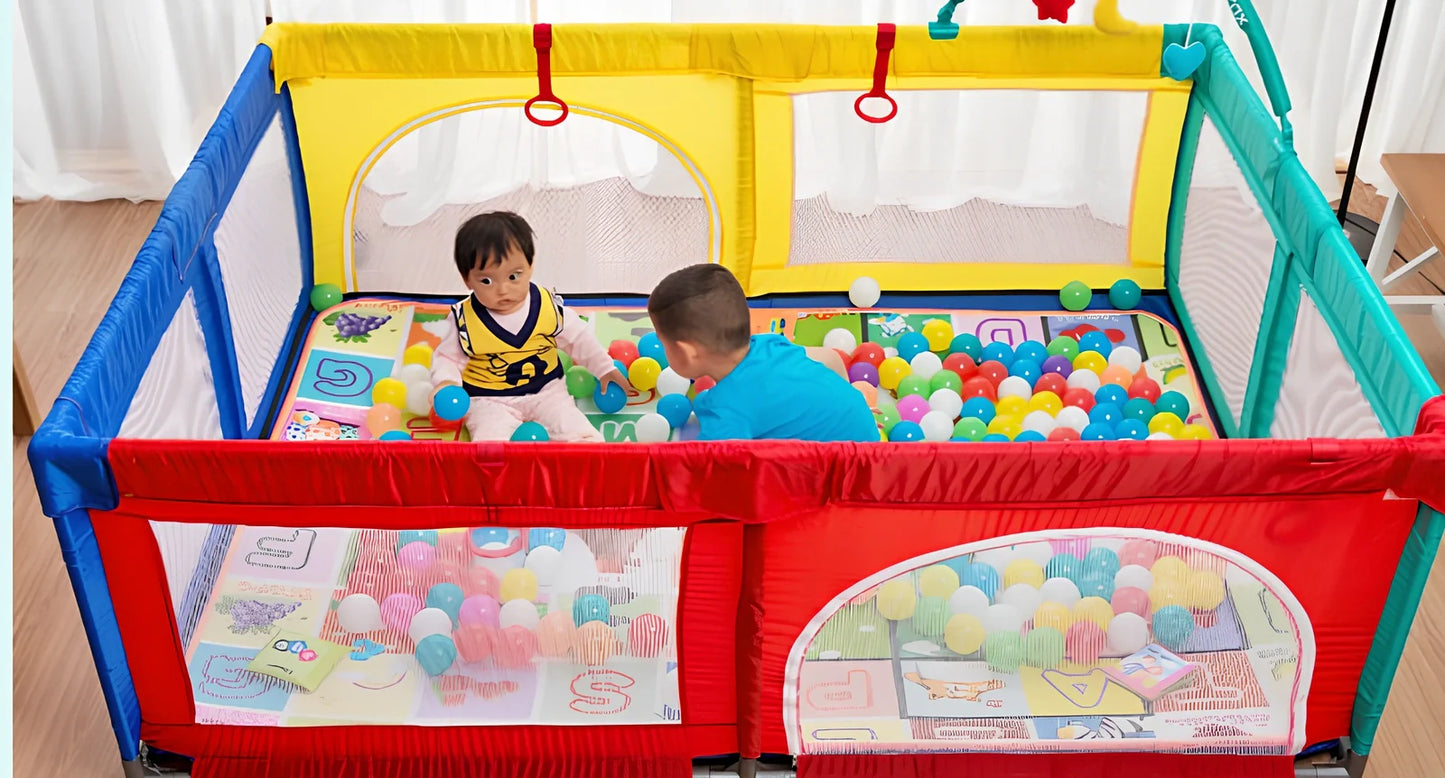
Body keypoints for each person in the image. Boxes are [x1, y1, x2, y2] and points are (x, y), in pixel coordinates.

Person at [431, 211, 627, 441]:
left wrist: (603, 368)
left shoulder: (548, 307)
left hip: (546, 391)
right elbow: (447, 358)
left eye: (514, 276)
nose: (503, 289)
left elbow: (578, 338)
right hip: (488, 399)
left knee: (580, 434)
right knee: (489, 445)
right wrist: (446, 383)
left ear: (530, 266)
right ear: (467, 280)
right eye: (487, 280)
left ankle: (584, 466)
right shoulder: (462, 319)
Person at [646, 264, 878, 442]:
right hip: (867, 432)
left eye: (663, 343)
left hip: (850, 474)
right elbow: (831, 357)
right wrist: (852, 406)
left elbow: (705, 479)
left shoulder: (727, 415)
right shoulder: (770, 344)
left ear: (687, 353)